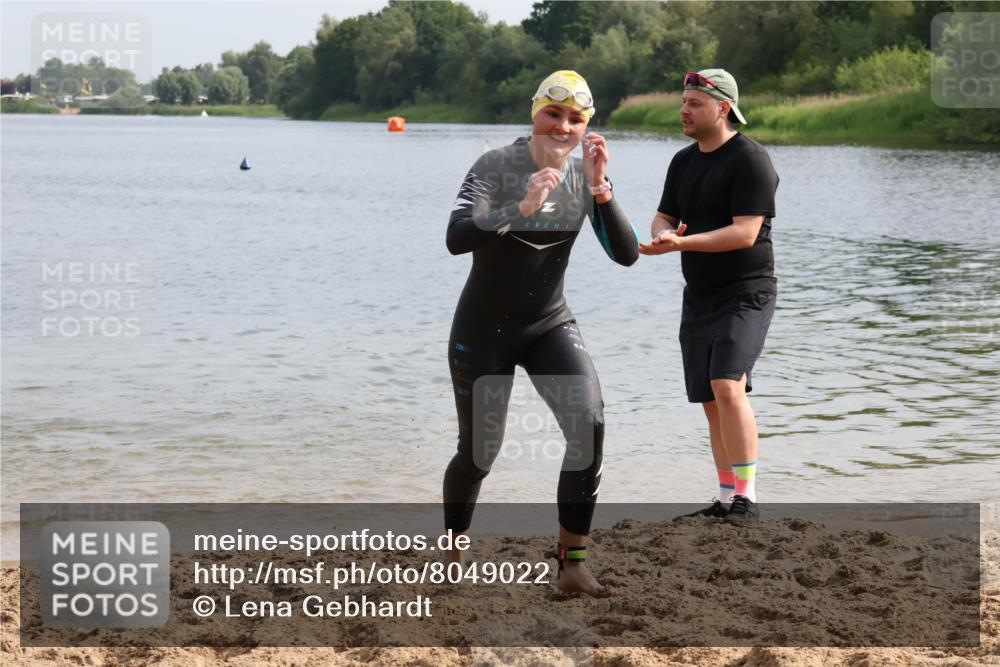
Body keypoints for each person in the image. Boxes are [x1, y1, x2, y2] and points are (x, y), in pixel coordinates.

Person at [443, 70, 638, 597]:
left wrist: (600, 189)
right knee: (479, 453)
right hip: (484, 329)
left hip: (549, 322)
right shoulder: (497, 166)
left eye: (575, 119)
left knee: (589, 425)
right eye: (554, 114)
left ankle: (572, 564)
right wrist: (519, 209)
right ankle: (454, 550)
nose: (563, 127)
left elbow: (626, 254)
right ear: (535, 113)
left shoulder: (582, 178)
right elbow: (456, 237)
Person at [639, 69, 779, 524]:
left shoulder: (750, 159)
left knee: (727, 385)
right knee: (708, 398)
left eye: (694, 103)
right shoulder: (682, 162)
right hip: (698, 295)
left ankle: (748, 499)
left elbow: (745, 233)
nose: (683, 109)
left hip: (746, 292)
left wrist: (683, 242)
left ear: (722, 108)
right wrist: (662, 236)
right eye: (683, 101)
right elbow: (664, 216)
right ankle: (723, 499)